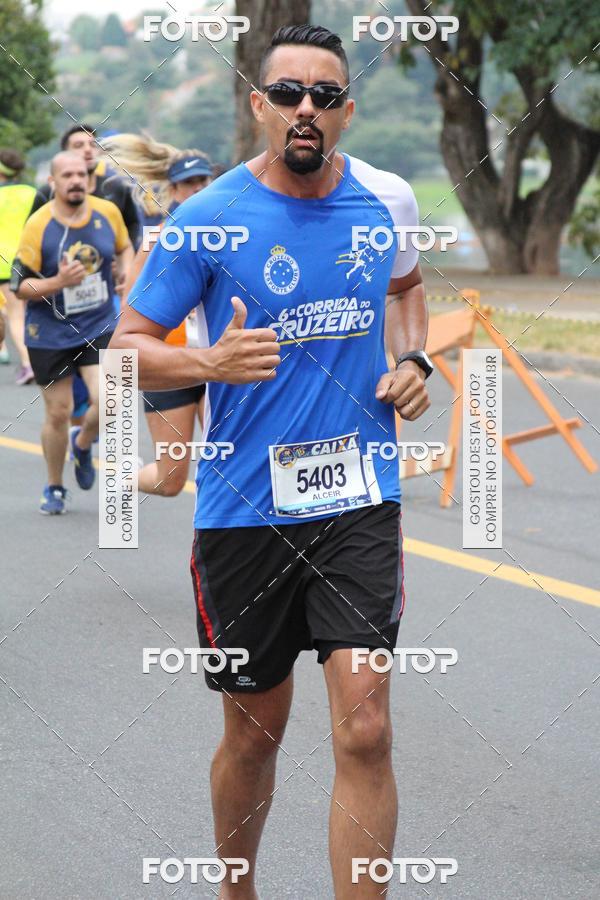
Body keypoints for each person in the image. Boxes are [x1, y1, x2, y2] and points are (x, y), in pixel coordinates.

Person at [112, 24, 433, 897]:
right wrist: (207, 362)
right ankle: (236, 887)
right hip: (244, 512)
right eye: (287, 93)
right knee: (255, 734)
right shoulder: (206, 219)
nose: (305, 109)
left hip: (359, 502)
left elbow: (407, 290)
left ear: (346, 111)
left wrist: (414, 361)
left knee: (366, 729)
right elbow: (130, 346)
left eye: (324, 96)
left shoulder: (386, 201)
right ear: (259, 106)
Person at [12, 151, 133, 514]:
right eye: (67, 175)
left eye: (82, 174)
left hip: (97, 323)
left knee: (112, 400)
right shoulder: (40, 224)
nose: (76, 180)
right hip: (49, 331)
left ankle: (83, 444)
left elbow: (125, 248)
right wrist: (57, 282)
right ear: (53, 182)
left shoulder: (107, 213)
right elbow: (20, 286)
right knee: (58, 413)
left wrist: (125, 275)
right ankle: (54, 486)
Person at [108, 133, 212, 496]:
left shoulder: (230, 236)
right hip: (170, 365)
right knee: (170, 481)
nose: (198, 189)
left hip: (218, 362)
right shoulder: (157, 241)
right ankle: (121, 479)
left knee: (224, 466)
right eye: (189, 183)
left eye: (203, 180)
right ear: (173, 191)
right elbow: (130, 311)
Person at [30, 124, 141, 247]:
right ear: (66, 153)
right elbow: (31, 238)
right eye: (79, 145)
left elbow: (133, 225)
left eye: (93, 145)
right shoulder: (48, 193)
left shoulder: (117, 187)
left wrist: (122, 257)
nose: (88, 150)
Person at [0, 149, 36, 384]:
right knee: (20, 312)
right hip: (25, 259)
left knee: (15, 315)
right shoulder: (32, 193)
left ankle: (27, 363)